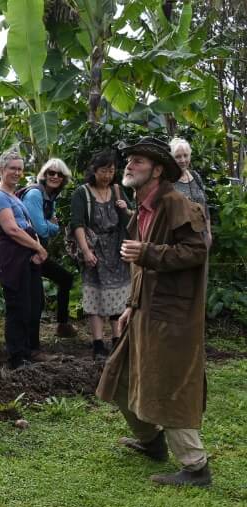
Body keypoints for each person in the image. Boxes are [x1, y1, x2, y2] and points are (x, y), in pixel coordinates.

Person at [97, 137, 211, 487]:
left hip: (171, 316)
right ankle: (152, 442)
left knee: (169, 384)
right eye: (129, 160)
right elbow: (140, 269)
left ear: (158, 170)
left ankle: (196, 467)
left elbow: (195, 252)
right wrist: (131, 305)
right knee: (119, 376)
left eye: (138, 161)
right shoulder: (143, 208)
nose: (129, 165)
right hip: (146, 310)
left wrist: (148, 252)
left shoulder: (178, 205)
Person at [0, 149, 48, 370]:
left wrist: (36, 248)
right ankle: (17, 357)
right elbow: (11, 229)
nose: (17, 172)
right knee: (18, 306)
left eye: (20, 169)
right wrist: (38, 247)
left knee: (34, 303)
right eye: (12, 168)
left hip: (26, 256)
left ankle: (30, 350)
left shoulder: (14, 196)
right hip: (13, 256)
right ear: (1, 169)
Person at [70, 150, 132, 359]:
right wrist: (86, 251)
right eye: (103, 171)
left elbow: (132, 217)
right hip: (95, 249)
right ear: (94, 171)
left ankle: (117, 339)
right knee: (94, 295)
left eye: (111, 170)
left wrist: (125, 209)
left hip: (117, 249)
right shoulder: (82, 193)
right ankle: (97, 344)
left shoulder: (117, 189)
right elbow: (77, 224)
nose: (107, 175)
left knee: (120, 294)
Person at [21, 158, 77, 340]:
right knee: (36, 300)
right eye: (50, 173)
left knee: (65, 279)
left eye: (59, 174)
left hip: (38, 251)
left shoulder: (49, 197)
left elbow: (48, 227)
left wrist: (51, 226)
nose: (55, 176)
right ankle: (31, 345)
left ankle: (62, 325)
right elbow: (41, 229)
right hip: (27, 252)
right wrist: (54, 226)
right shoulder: (35, 194)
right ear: (43, 175)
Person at [170, 137, 211, 243]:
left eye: (185, 155)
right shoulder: (168, 181)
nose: (183, 160)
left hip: (202, 235)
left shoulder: (195, 176)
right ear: (171, 158)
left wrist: (208, 233)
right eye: (178, 157)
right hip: (181, 239)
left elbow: (204, 206)